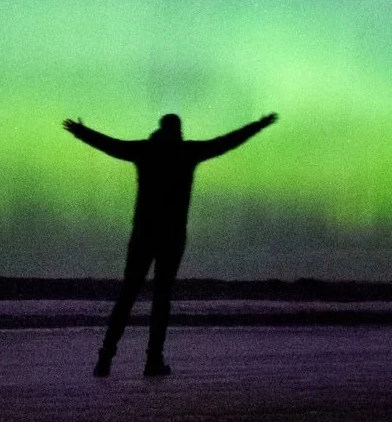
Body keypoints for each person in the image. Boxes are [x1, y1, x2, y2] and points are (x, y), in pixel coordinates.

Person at [64, 111, 277, 377]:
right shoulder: (187, 152)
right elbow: (225, 142)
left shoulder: (145, 151)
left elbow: (111, 145)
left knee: (128, 295)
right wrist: (257, 125)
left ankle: (105, 359)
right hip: (172, 236)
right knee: (161, 298)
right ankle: (152, 360)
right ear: (177, 131)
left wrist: (81, 132)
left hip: (143, 234)